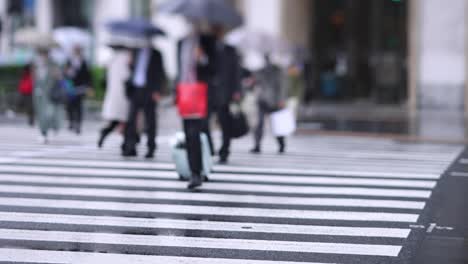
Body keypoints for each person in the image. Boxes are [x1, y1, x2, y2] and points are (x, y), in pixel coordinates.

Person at [176, 30, 215, 189]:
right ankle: (195, 171)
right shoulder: (180, 42)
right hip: (185, 92)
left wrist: (202, 59)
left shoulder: (207, 42)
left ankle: (198, 172)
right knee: (189, 134)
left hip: (202, 94)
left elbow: (215, 69)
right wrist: (175, 92)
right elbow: (179, 70)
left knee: (197, 133)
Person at [122, 40, 166, 159]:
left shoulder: (157, 54)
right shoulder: (135, 52)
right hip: (136, 89)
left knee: (150, 121)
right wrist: (130, 63)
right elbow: (132, 70)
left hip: (150, 90)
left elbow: (161, 73)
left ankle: (151, 147)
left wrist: (158, 91)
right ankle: (130, 146)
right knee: (131, 120)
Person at [210, 25, 242, 164]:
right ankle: (209, 148)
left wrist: (237, 91)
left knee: (225, 124)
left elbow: (236, 72)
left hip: (225, 93)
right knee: (204, 123)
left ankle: (225, 150)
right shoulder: (207, 47)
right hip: (209, 92)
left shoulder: (231, 50)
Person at [251, 54, 287, 154]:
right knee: (259, 124)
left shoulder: (277, 71)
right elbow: (255, 83)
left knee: (277, 124)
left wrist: (281, 100)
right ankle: (257, 145)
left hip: (274, 101)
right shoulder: (259, 71)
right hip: (262, 100)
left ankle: (281, 144)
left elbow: (282, 86)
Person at [98, 49, 131, 148]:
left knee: (117, 120)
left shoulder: (112, 58)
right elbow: (127, 76)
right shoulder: (126, 57)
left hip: (115, 94)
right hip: (124, 94)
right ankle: (127, 143)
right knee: (126, 119)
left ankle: (125, 142)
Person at [33, 48, 63, 144]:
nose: (42, 56)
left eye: (43, 53)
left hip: (49, 93)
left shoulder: (53, 64)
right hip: (38, 94)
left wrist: (56, 74)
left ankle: (53, 127)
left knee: (49, 113)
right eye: (40, 53)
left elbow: (59, 76)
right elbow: (35, 79)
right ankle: (43, 133)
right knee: (41, 114)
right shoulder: (36, 64)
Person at [65, 45, 92, 135]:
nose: (76, 52)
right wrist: (68, 73)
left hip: (80, 87)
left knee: (79, 106)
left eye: (78, 50)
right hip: (70, 87)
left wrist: (89, 86)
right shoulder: (69, 61)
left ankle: (78, 125)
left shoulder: (83, 62)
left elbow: (87, 75)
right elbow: (65, 73)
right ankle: (71, 122)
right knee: (70, 105)